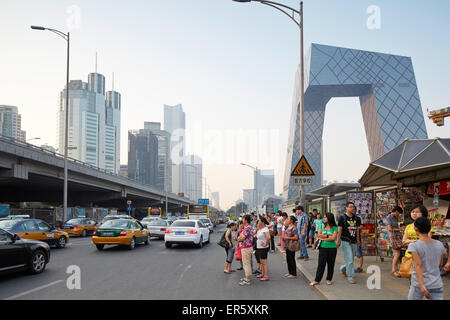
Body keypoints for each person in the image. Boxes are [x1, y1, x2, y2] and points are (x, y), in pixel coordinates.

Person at [408, 217, 446, 300]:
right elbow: (440, 263)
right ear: (429, 228)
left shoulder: (414, 245)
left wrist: (421, 285)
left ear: (415, 228)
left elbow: (418, 265)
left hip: (419, 284)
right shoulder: (439, 244)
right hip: (436, 283)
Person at [310, 213, 339, 286]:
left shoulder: (335, 227)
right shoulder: (321, 225)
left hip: (332, 248)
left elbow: (333, 238)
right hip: (323, 248)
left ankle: (329, 279)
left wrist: (323, 237)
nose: (324, 219)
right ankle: (317, 280)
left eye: (325, 217)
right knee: (321, 264)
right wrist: (327, 236)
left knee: (331, 265)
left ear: (329, 218)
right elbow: (318, 235)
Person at [336, 202, 361, 284]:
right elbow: (339, 230)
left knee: (350, 259)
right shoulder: (342, 218)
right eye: (350, 207)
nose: (352, 208)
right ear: (346, 208)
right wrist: (338, 240)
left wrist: (358, 240)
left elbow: (357, 230)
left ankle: (343, 268)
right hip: (345, 240)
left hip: (354, 241)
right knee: (350, 259)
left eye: (353, 207)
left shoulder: (357, 218)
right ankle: (350, 276)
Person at [237, 215, 255, 286]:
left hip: (246, 247)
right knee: (246, 263)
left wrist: (238, 239)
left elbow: (242, 238)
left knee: (246, 264)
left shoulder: (247, 228)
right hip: (247, 247)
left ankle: (247, 280)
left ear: (246, 220)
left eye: (243, 219)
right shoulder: (248, 227)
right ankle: (247, 277)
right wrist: (240, 238)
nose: (242, 220)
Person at [387, 206, 404, 277]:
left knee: (398, 253)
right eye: (399, 213)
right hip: (393, 236)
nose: (398, 215)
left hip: (397, 236)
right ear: (396, 211)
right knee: (397, 254)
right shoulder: (389, 217)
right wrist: (400, 229)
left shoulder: (393, 217)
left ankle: (395, 269)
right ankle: (394, 270)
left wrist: (400, 229)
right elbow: (390, 229)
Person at [256, 216, 271, 281]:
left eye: (259, 221)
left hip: (263, 248)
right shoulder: (260, 229)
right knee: (261, 261)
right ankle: (262, 273)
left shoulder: (265, 229)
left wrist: (266, 244)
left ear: (262, 222)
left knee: (264, 262)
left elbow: (268, 237)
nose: (258, 222)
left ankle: (266, 276)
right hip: (259, 247)